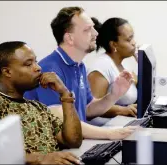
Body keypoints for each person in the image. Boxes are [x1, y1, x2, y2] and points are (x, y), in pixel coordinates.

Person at [0, 41, 83, 165]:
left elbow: (73, 140)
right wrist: (42, 158)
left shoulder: (38, 107)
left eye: (35, 61)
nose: (38, 67)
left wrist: (64, 94)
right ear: (7, 72)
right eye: (28, 64)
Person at [24, 7, 139, 135]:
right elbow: (61, 122)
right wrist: (109, 134)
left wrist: (114, 95)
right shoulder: (49, 70)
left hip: (77, 143)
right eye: (88, 29)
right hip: (59, 150)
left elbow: (88, 109)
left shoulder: (80, 66)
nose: (96, 33)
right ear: (70, 38)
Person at [87, 17, 140, 123]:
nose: (134, 43)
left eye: (132, 37)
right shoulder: (101, 67)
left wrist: (143, 63)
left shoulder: (124, 62)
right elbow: (90, 108)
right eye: (129, 40)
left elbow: (141, 89)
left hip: (123, 124)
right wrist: (123, 110)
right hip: (102, 130)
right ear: (114, 44)